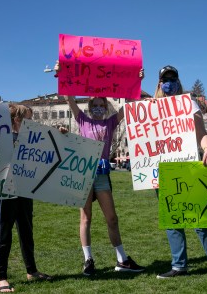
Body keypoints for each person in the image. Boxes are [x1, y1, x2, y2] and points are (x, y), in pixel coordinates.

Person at [55, 62, 145, 276]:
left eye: (101, 106)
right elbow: (69, 99)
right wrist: (62, 75)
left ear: (105, 108)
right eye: (94, 105)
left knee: (112, 218)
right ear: (89, 108)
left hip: (102, 176)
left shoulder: (111, 123)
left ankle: (122, 259)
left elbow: (128, 107)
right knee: (86, 218)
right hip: (84, 175)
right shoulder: (82, 120)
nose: (97, 109)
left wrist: (137, 81)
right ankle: (88, 260)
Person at [153, 65, 207, 285]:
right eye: (165, 79)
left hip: (187, 167)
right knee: (173, 221)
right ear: (159, 83)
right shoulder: (151, 107)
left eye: (172, 78)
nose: (169, 82)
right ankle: (178, 266)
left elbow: (201, 132)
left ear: (178, 82)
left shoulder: (188, 104)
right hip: (162, 170)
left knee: (201, 220)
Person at [0, 100, 52, 292]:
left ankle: (31, 271)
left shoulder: (31, 137)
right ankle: (1, 277)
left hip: (25, 188)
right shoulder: (2, 136)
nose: (32, 122)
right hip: (6, 189)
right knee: (3, 232)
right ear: (17, 119)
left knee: (27, 231)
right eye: (28, 118)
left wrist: (60, 133)